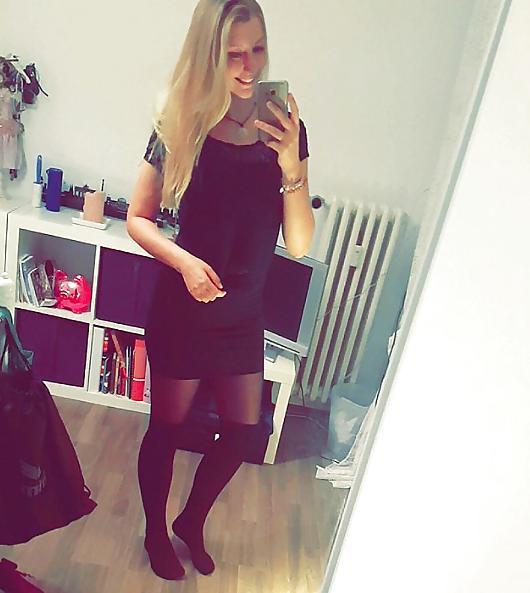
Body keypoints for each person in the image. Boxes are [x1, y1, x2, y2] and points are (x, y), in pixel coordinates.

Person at [127, 0, 314, 581]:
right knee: (168, 429)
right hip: (183, 307)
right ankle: (155, 532)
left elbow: (299, 244)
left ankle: (191, 520)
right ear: (209, 53)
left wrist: (292, 167)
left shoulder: (285, 130)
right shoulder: (180, 121)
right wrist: (184, 263)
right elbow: (138, 218)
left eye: (257, 49)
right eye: (233, 53)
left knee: (243, 432)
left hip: (243, 313)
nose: (249, 65)